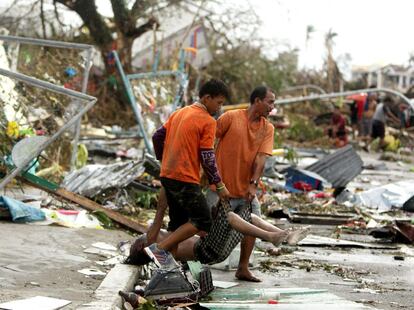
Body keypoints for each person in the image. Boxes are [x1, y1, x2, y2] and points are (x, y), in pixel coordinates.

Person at [206, 86, 303, 282]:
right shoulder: (231, 118)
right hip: (220, 187)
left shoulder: (268, 128)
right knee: (207, 227)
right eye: (270, 102)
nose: (272, 107)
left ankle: (243, 267)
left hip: (245, 188)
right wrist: (208, 173)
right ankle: (196, 266)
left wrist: (253, 185)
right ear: (257, 101)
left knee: (252, 222)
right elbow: (208, 142)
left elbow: (261, 159)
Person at [145, 79, 230, 268]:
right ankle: (160, 249)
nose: (219, 108)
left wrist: (164, 159)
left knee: (177, 225)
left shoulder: (180, 112)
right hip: (185, 177)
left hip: (168, 175)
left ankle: (169, 269)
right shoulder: (208, 121)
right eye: (219, 103)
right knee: (203, 221)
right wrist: (220, 184)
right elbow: (207, 156)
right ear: (207, 98)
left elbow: (157, 136)